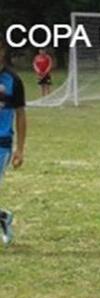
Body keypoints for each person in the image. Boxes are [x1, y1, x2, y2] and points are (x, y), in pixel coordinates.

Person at [0, 38, 27, 247]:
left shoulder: (13, 80)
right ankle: (3, 217)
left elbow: (20, 114)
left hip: (2, 143)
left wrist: (20, 149)